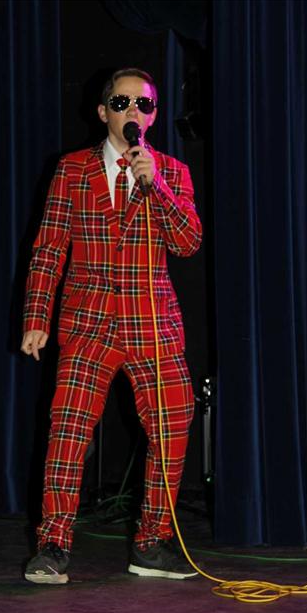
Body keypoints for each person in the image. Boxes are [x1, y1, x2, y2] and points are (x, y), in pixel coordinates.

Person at [21, 68, 202, 584]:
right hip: (89, 322)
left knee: (173, 423)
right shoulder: (71, 170)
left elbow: (187, 243)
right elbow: (49, 248)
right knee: (69, 429)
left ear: (154, 115)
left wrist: (156, 185)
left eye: (143, 104)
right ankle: (53, 544)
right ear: (103, 112)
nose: (133, 112)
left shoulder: (171, 171)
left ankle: (151, 543)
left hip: (152, 324)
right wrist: (36, 317)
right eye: (122, 103)